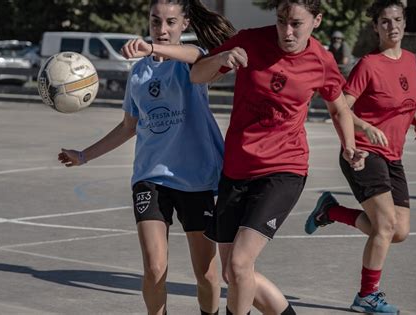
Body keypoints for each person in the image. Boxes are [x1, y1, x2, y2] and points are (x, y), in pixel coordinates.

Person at [190, 0, 368, 314]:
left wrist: (349, 145)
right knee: (234, 272)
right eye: (281, 21)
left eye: (296, 23)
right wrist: (220, 57)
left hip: (284, 170)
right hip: (237, 170)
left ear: (316, 21)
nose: (287, 31)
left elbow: (339, 107)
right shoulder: (249, 41)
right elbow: (197, 76)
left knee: (241, 263)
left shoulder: (322, 61)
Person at [58, 1, 236, 314]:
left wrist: (152, 46)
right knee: (154, 268)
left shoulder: (192, 62)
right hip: (150, 178)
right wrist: (83, 155)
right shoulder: (139, 73)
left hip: (196, 180)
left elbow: (198, 56)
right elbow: (129, 127)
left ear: (184, 25)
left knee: (206, 273)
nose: (162, 29)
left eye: (170, 22)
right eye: (156, 22)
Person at [305, 1, 416, 314]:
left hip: (392, 155)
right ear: (375, 27)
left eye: (397, 20)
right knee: (384, 227)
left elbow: (403, 100)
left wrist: (414, 116)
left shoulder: (409, 60)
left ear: (404, 23)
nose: (392, 27)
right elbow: (341, 108)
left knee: (399, 232)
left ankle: (331, 211)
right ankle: (367, 296)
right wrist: (366, 127)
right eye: (384, 21)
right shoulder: (368, 65)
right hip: (363, 153)